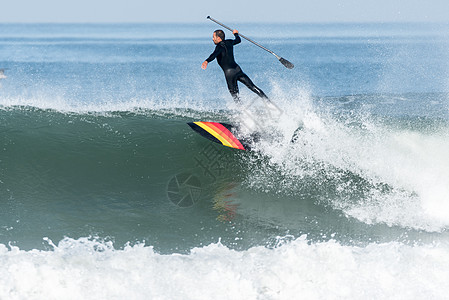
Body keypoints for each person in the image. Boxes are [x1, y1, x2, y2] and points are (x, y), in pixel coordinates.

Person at [201, 29, 269, 103]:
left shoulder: (219, 47)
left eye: (214, 37)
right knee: (252, 87)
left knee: (235, 96)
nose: (212, 39)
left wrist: (207, 61)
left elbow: (214, 54)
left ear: (218, 38)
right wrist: (236, 34)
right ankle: (268, 102)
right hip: (237, 70)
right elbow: (238, 40)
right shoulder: (230, 42)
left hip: (230, 74)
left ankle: (243, 111)